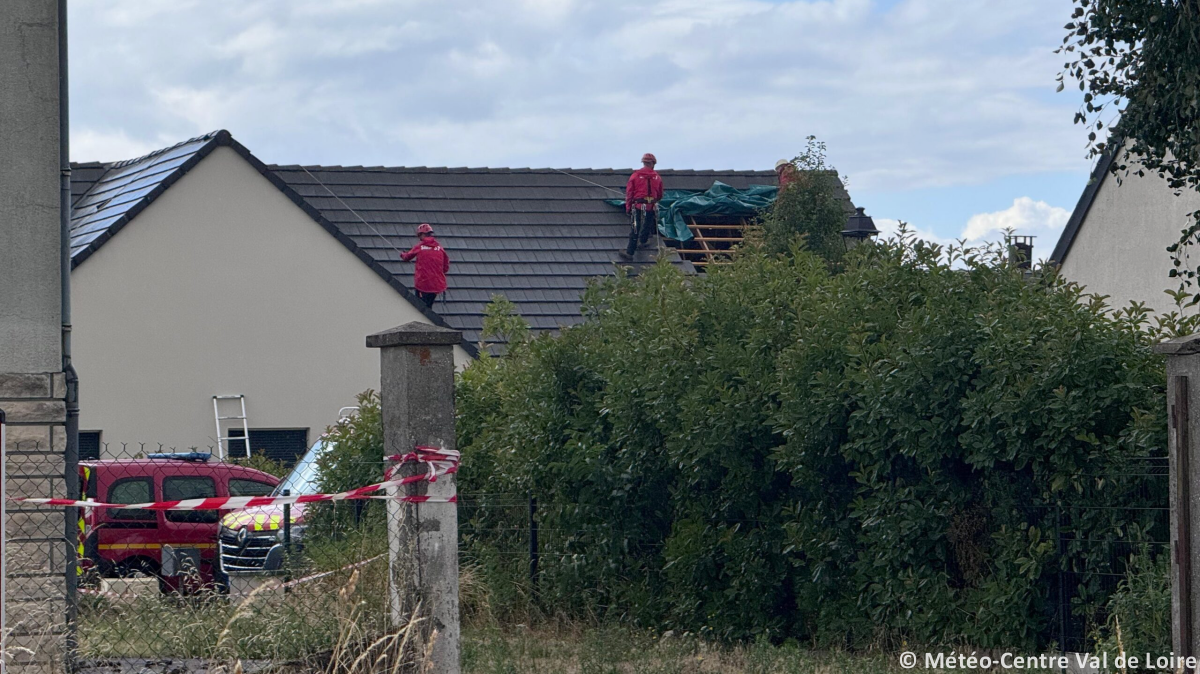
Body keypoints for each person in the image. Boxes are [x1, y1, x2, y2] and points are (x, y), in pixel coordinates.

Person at [620, 152, 664, 260]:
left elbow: (629, 193)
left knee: (635, 228)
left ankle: (630, 252)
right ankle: (643, 241)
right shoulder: (657, 177)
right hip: (651, 206)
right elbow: (659, 195)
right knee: (647, 223)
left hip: (638, 205)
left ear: (643, 163)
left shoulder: (635, 176)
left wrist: (628, 208)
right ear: (653, 164)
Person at [400, 223, 450, 308]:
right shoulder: (439, 248)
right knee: (428, 307)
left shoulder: (420, 246)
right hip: (436, 286)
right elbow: (446, 266)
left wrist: (402, 254)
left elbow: (407, 257)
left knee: (419, 308)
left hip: (423, 285)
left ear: (422, 234)